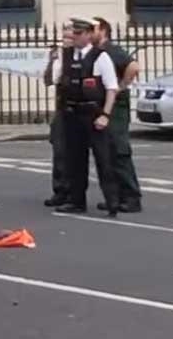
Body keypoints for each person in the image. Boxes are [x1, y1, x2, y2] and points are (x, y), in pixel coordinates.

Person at [52, 17, 121, 216]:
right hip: (72, 113)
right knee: (74, 160)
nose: (75, 37)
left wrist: (105, 114)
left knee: (104, 159)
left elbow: (111, 88)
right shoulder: (66, 55)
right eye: (74, 33)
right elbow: (55, 80)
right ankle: (76, 201)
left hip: (93, 114)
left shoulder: (100, 57)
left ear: (89, 35)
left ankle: (112, 200)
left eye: (79, 33)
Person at [93, 17, 142, 214]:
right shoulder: (98, 52)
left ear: (103, 30)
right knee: (108, 153)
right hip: (105, 105)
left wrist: (121, 87)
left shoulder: (112, 50)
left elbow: (133, 67)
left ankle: (131, 197)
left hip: (117, 109)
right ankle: (116, 196)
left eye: (93, 28)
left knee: (119, 150)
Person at [41, 34, 72, 207]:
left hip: (80, 110)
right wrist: (52, 60)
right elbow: (48, 80)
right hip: (62, 110)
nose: (66, 38)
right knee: (60, 152)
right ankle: (61, 191)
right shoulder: (59, 56)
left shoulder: (83, 55)